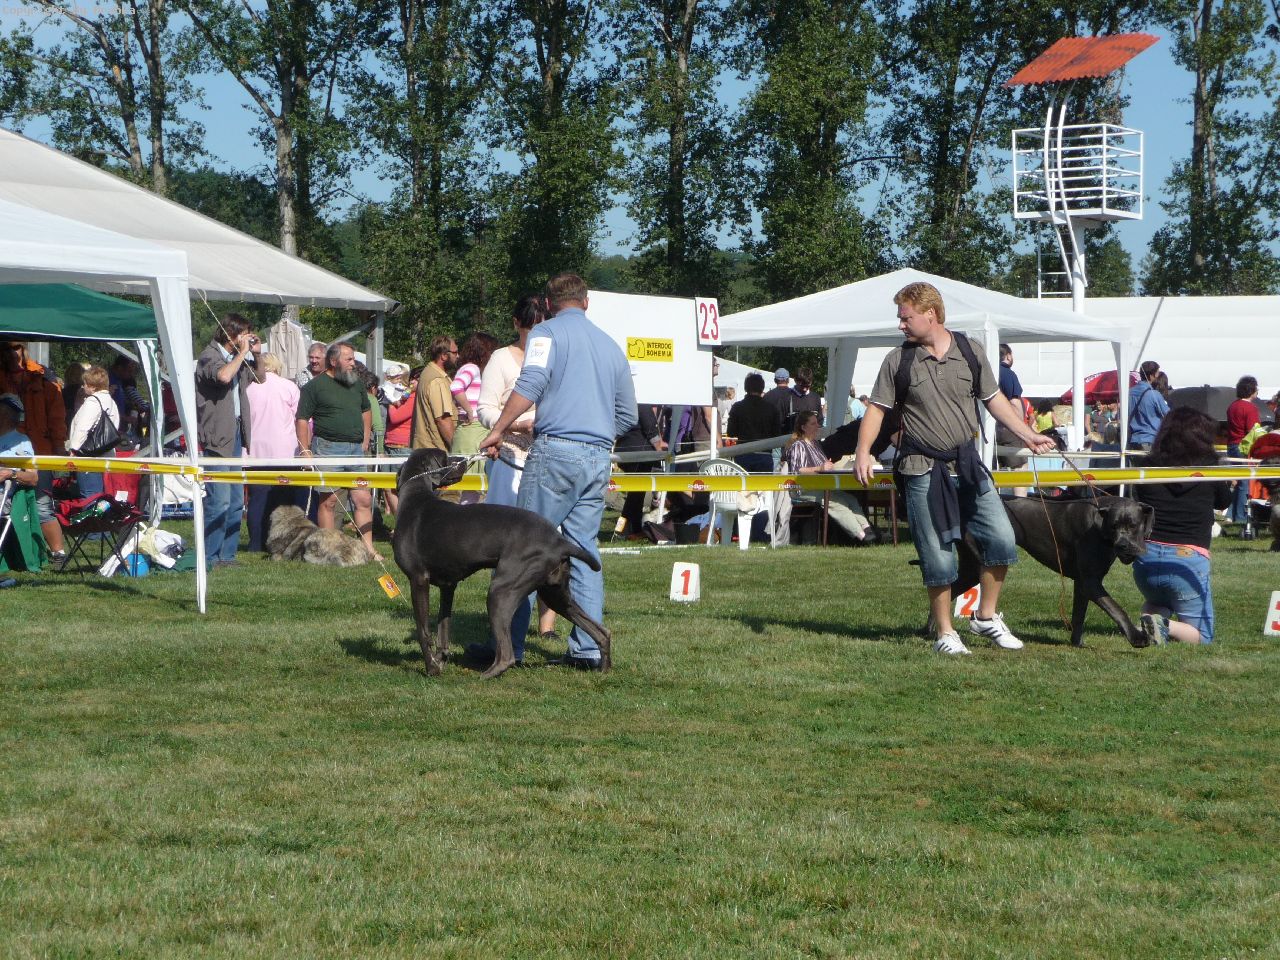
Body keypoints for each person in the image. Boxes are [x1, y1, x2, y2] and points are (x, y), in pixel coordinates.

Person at [853, 281, 1056, 655]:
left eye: (905, 317)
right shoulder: (898, 360)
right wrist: (863, 452)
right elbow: (877, 410)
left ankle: (985, 616)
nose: (900, 324)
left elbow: (994, 399)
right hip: (921, 468)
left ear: (930, 314)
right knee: (938, 554)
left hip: (967, 465)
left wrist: (1028, 434)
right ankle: (946, 633)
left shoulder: (969, 350)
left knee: (1002, 538)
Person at [479, 272, 637, 670]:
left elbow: (531, 382)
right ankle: (587, 650)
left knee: (523, 547)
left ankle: (508, 649)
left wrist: (498, 429)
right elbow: (628, 415)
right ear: (586, 302)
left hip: (554, 453)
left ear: (548, 305)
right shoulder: (612, 346)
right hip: (597, 457)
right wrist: (596, 436)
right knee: (583, 551)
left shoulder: (545, 333)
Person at [476, 294, 559, 642]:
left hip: (549, 454)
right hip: (510, 457)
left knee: (551, 540)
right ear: (516, 325)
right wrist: (517, 424)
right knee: (510, 546)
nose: (535, 336)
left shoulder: (556, 355)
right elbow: (484, 409)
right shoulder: (501, 359)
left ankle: (547, 625)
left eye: (541, 328)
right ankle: (507, 626)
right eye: (529, 330)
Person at [1131, 407, 1232, 645]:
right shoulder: (1210, 468)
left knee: (1158, 600)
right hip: (1187, 561)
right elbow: (1224, 502)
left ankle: (1151, 619)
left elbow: (1140, 499)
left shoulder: (1148, 465)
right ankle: (1164, 624)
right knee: (1203, 637)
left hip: (1146, 559)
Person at [296, 342, 375, 558]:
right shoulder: (314, 387)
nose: (353, 363)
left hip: (355, 451)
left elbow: (366, 410)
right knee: (329, 501)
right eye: (349, 359)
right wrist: (305, 451)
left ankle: (368, 549)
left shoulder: (356, 384)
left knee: (363, 500)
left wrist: (365, 439)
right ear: (333, 361)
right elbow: (302, 419)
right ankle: (329, 551)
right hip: (327, 448)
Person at [195, 315, 259, 568]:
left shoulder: (236, 358)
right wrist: (242, 353)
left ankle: (227, 556)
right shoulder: (209, 356)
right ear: (230, 334)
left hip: (235, 434)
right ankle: (210, 556)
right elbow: (223, 376)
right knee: (219, 500)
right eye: (244, 333)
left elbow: (259, 378)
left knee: (235, 501)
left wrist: (257, 354)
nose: (247, 338)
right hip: (217, 436)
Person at [0, 340, 68, 564]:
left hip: (40, 451)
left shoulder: (44, 377)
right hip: (7, 448)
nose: (12, 353)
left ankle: (58, 553)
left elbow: (57, 417)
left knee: (41, 505)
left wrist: (59, 449)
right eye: (7, 348)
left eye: (16, 347)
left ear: (24, 349)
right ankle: (17, 553)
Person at [782, 410, 876, 543]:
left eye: (817, 423)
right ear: (803, 427)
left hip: (820, 486)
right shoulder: (798, 445)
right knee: (836, 503)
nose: (817, 426)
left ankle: (867, 529)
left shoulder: (815, 444)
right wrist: (819, 468)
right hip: (803, 489)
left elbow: (824, 464)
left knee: (850, 499)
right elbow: (798, 470)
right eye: (813, 424)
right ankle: (861, 536)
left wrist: (829, 465)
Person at [245, 353, 304, 552]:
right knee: (283, 501)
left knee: (257, 499)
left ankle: (256, 543)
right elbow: (299, 418)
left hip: (255, 452)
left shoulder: (247, 388)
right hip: (285, 452)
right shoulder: (289, 387)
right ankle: (283, 542)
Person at [450, 332, 500, 504]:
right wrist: (469, 411)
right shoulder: (471, 368)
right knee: (471, 485)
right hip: (472, 430)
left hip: (474, 430)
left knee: (472, 489)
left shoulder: (473, 369)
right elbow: (456, 387)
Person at [65, 365, 119, 499]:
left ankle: (90, 514)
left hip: (88, 456)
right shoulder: (111, 401)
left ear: (93, 387)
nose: (82, 386)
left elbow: (82, 428)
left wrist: (73, 449)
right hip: (105, 454)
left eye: (85, 384)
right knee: (99, 496)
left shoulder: (93, 402)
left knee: (89, 496)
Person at [726, 372, 782, 473]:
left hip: (743, 454)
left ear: (746, 388)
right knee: (763, 484)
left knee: (743, 483)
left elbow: (731, 432)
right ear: (762, 388)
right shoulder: (772, 408)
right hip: (765, 454)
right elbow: (776, 433)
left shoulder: (737, 407)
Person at [411, 335, 458, 454]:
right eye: (455, 352)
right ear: (444, 356)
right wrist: (457, 450)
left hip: (426, 451)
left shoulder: (427, 373)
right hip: (436, 453)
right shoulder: (437, 380)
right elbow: (443, 420)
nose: (458, 356)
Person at [381, 362, 415, 518]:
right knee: (387, 487)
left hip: (401, 445)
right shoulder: (398, 393)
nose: (398, 381)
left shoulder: (412, 397)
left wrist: (390, 402)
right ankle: (399, 522)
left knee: (399, 487)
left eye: (401, 378)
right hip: (389, 442)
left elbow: (395, 417)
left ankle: (405, 521)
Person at [1226, 375, 1261, 526]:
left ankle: (1231, 514)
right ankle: (1240, 517)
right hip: (1244, 447)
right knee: (1244, 483)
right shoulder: (1251, 408)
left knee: (1239, 482)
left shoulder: (1232, 406)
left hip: (1232, 445)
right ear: (1251, 390)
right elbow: (1253, 431)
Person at [1129, 360, 1169, 451]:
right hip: (1149, 441)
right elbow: (1168, 415)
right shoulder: (1154, 394)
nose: (1158, 376)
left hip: (1132, 441)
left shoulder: (1129, 393)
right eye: (1157, 373)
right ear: (1151, 376)